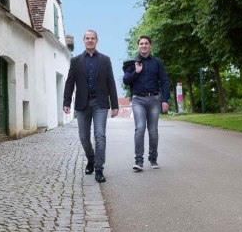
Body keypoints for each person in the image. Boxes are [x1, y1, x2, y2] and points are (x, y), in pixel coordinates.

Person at [63, 30, 119, 183]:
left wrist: (115, 104)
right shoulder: (76, 61)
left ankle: (99, 169)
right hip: (82, 103)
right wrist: (66, 102)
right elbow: (70, 82)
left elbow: (111, 83)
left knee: (100, 136)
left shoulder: (105, 60)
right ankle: (91, 159)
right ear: (83, 40)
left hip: (100, 103)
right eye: (87, 38)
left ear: (97, 40)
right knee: (83, 137)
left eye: (92, 38)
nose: (90, 41)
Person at [123, 35, 169, 171]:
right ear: (138, 46)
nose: (144, 45)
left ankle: (153, 159)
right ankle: (139, 161)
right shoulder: (132, 63)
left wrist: (165, 100)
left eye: (146, 43)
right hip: (138, 100)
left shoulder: (157, 63)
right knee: (140, 128)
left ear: (150, 45)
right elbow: (126, 80)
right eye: (141, 43)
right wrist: (136, 73)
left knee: (153, 131)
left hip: (154, 99)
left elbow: (165, 81)